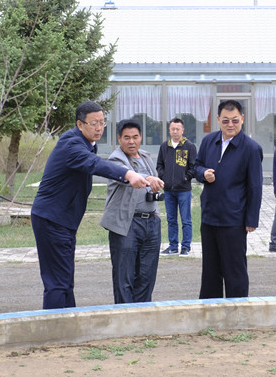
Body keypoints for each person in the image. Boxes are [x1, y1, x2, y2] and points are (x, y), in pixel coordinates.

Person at [31, 100, 150, 309]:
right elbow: (95, 164)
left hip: (63, 220)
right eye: (94, 123)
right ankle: (54, 325)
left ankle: (68, 321)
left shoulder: (86, 144)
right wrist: (128, 174)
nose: (99, 128)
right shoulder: (72, 144)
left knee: (65, 280)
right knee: (57, 283)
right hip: (52, 219)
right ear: (80, 124)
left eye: (102, 123)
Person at [194, 99, 263, 299]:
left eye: (235, 120)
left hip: (234, 220)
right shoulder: (209, 141)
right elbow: (196, 166)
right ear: (218, 120)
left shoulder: (251, 148)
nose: (230, 125)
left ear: (242, 119)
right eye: (225, 120)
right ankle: (209, 310)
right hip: (209, 216)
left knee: (234, 271)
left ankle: (237, 310)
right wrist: (203, 173)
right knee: (210, 271)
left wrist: (251, 219)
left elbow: (255, 186)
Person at [100, 119, 165, 303]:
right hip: (127, 224)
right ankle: (124, 315)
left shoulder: (145, 157)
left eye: (135, 137)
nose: (131, 141)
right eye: (126, 137)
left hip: (151, 222)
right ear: (119, 139)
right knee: (125, 276)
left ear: (141, 137)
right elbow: (127, 176)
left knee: (146, 276)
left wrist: (156, 211)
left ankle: (142, 314)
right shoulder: (116, 159)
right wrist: (149, 178)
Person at [156, 117, 197, 256]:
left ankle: (186, 247)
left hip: (184, 190)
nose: (175, 131)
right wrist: (164, 178)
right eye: (173, 129)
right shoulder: (164, 146)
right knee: (171, 220)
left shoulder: (189, 146)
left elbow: (193, 167)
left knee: (186, 220)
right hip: (168, 190)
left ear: (182, 130)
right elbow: (159, 165)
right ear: (169, 130)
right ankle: (173, 247)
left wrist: (185, 178)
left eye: (177, 129)